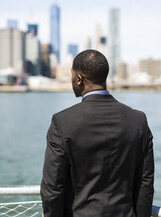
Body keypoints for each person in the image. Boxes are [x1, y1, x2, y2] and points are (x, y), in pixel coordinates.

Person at [41, 49, 154, 217]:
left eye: (72, 76)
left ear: (79, 79)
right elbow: (145, 183)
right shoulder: (138, 120)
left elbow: (53, 188)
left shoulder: (63, 122)